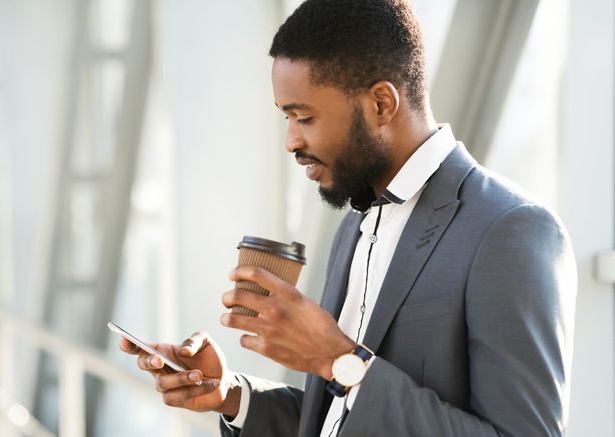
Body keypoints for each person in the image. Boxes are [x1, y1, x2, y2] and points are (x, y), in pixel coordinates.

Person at [120, 0, 577, 435]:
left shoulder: (511, 230)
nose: (291, 142)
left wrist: (338, 359)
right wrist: (232, 395)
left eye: (305, 118)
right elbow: (341, 417)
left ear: (381, 103)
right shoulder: (355, 224)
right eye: (286, 118)